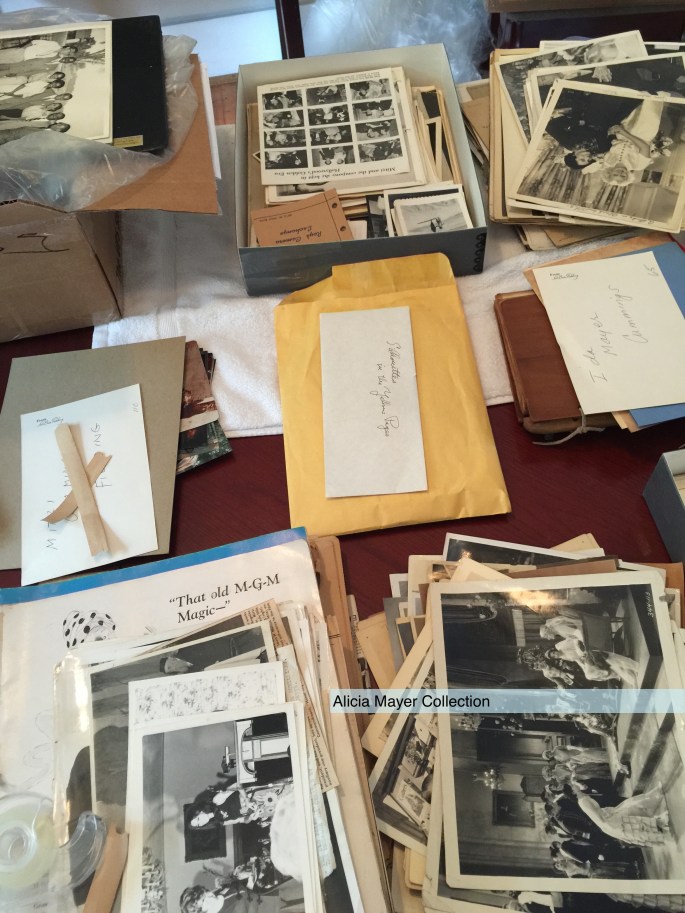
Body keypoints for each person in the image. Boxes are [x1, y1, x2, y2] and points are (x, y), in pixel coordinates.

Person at [576, 783, 670, 846]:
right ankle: (660, 823)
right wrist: (610, 818)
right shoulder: (583, 802)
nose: (576, 785)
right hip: (609, 822)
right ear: (573, 792)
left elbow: (598, 809)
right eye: (574, 787)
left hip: (608, 815)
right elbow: (597, 816)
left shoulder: (583, 798)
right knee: (635, 824)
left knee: (630, 804)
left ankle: (655, 796)